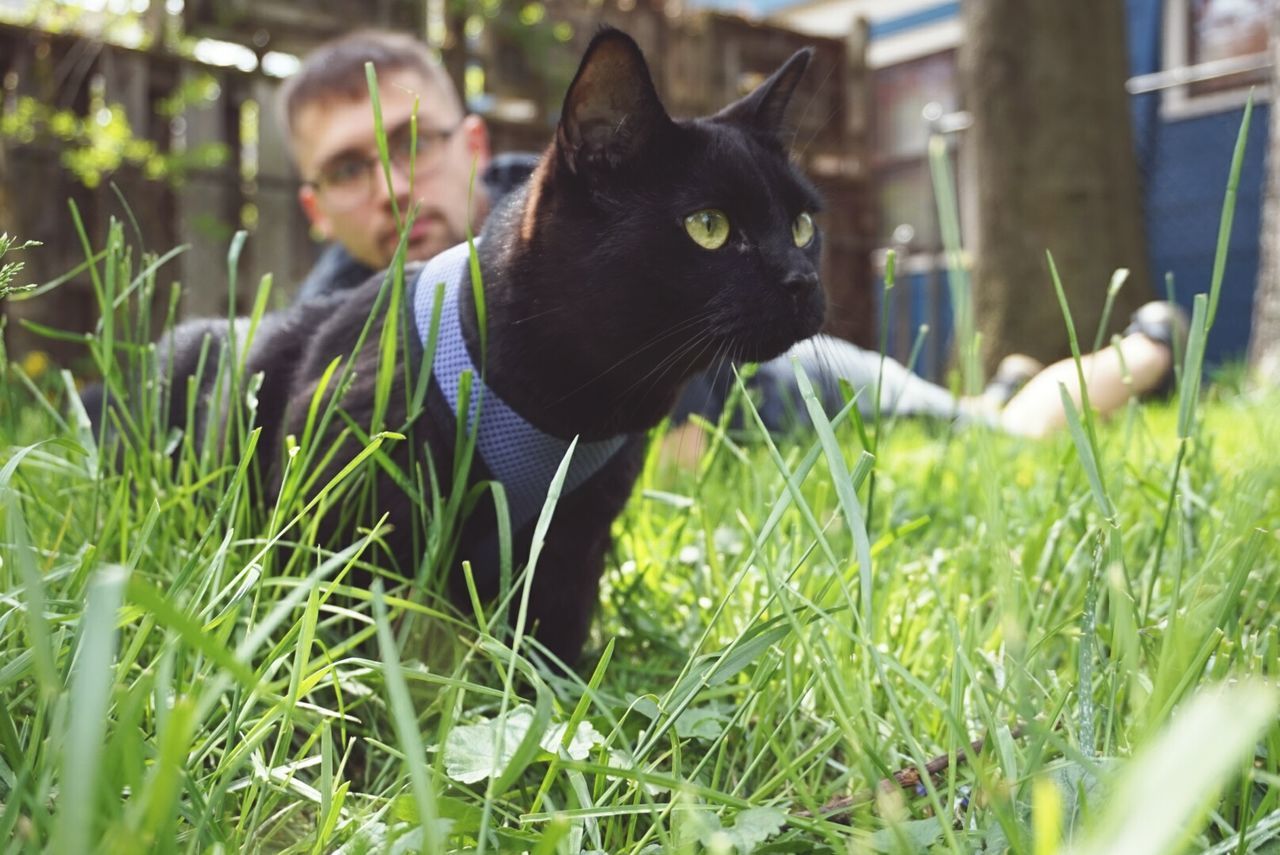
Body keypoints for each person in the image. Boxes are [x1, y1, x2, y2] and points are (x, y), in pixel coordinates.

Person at [278, 29, 1187, 465]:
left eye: (411, 142)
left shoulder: (578, 190)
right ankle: (1017, 375)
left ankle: (1146, 349)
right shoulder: (343, 317)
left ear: (472, 143)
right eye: (351, 167)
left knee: (995, 436)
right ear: (315, 207)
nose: (393, 188)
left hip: (794, 382)